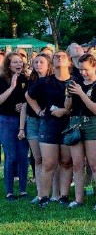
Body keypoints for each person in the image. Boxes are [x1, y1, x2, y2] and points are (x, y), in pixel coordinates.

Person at [25, 51, 74, 207]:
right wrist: (39, 111)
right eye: (56, 57)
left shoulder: (75, 81)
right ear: (52, 62)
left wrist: (66, 111)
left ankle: (63, 196)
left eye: (63, 57)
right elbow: (28, 95)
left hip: (69, 124)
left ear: (69, 62)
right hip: (48, 124)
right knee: (48, 163)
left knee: (66, 162)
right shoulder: (45, 81)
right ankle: (44, 197)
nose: (60, 58)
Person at [64, 54, 96, 210]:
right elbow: (68, 107)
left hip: (92, 124)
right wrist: (69, 95)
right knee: (77, 164)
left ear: (95, 67)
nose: (83, 72)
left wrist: (81, 93)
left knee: (94, 164)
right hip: (74, 123)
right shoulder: (76, 83)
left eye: (86, 69)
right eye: (80, 69)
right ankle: (78, 199)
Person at [20, 54, 54, 202]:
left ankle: (54, 192)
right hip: (33, 121)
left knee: (50, 160)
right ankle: (40, 193)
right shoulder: (31, 81)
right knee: (37, 158)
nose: (38, 64)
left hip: (49, 121)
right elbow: (27, 101)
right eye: (36, 62)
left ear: (48, 65)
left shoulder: (53, 81)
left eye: (41, 62)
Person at [0, 52, 29, 201]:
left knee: (23, 156)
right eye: (15, 62)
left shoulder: (25, 79)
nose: (19, 64)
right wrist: (11, 87)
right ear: (8, 64)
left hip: (22, 121)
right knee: (10, 156)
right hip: (6, 120)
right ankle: (10, 191)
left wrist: (23, 105)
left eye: (20, 62)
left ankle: (23, 190)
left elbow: (26, 100)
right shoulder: (1, 79)